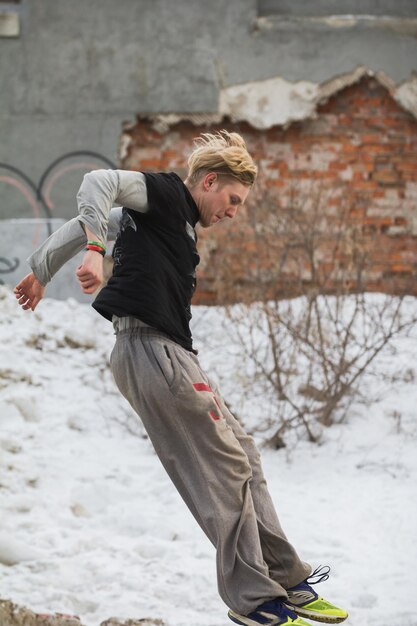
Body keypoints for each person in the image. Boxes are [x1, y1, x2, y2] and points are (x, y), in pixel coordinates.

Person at [14, 131, 348, 626]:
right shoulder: (168, 195)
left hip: (172, 354)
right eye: (232, 199)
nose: (234, 211)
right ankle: (255, 601)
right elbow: (96, 182)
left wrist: (42, 268)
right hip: (149, 351)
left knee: (246, 455)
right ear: (208, 181)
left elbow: (99, 217)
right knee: (226, 468)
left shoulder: (167, 221)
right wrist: (92, 252)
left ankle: (287, 581)